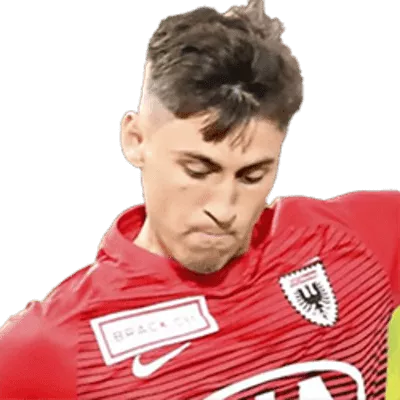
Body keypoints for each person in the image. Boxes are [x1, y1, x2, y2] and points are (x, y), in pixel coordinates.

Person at [0, 0, 398, 399]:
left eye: (252, 175)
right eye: (198, 170)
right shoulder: (53, 349)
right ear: (135, 140)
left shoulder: (349, 247)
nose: (224, 209)